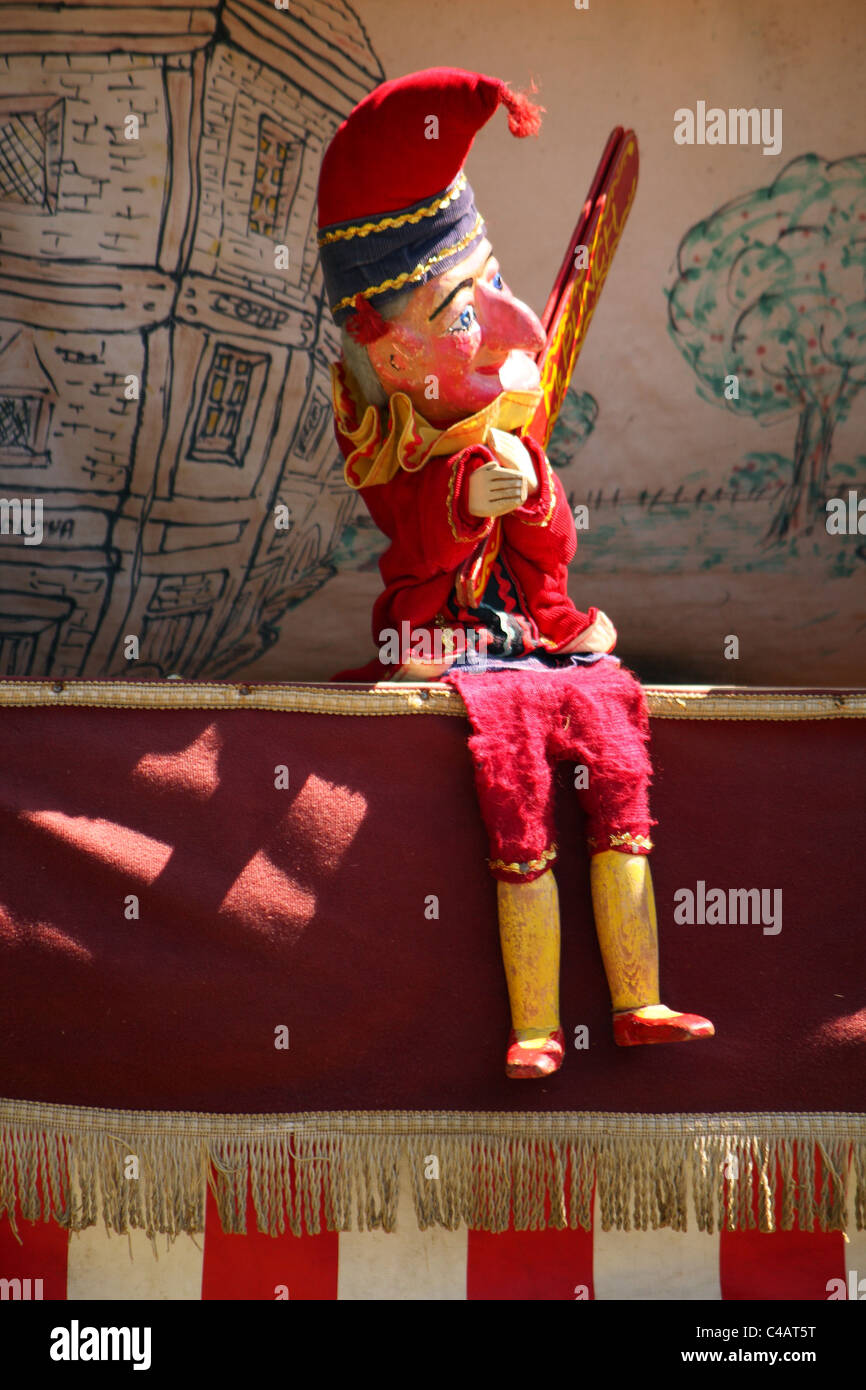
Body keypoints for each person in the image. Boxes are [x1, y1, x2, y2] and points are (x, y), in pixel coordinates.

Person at [318, 66, 714, 1078]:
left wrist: (527, 494)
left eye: (489, 282)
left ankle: (638, 998)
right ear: (393, 356)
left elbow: (549, 551)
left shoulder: (504, 422)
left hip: (531, 630)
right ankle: (534, 1023)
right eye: (460, 308)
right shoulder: (396, 441)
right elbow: (413, 546)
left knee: (617, 755)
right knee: (516, 787)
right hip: (448, 638)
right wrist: (463, 505)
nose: (493, 317)